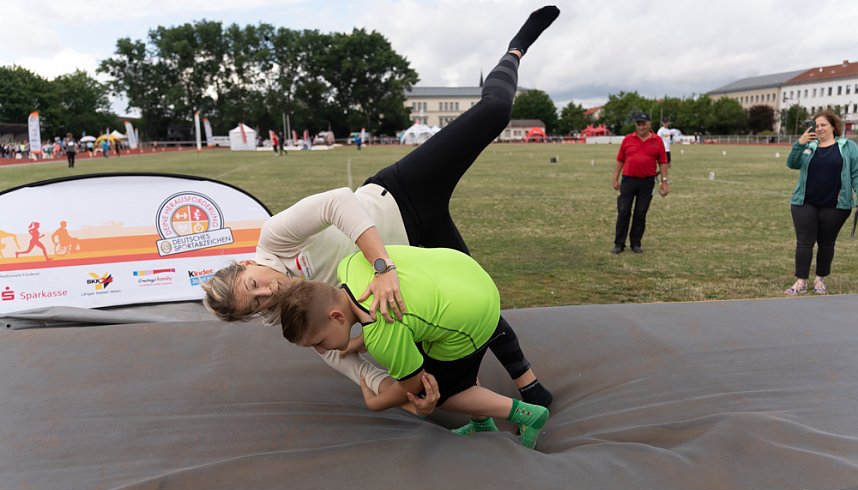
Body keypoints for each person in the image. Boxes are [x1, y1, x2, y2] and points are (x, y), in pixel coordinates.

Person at [202, 6, 559, 425]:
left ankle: (516, 48)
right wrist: (412, 401)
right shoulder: (295, 315)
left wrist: (381, 265)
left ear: (246, 264)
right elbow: (353, 365)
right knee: (474, 299)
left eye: (253, 285)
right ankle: (529, 383)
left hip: (402, 194)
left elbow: (337, 202)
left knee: (495, 112)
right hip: (416, 250)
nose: (268, 294)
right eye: (256, 306)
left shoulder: (275, 237)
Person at [278, 245, 550, 449]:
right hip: (462, 274)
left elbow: (410, 385)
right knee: (445, 366)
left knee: (440, 390)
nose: (323, 350)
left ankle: (526, 414)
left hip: (474, 313)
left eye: (319, 342)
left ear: (336, 317)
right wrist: (358, 341)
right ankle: (482, 423)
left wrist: (376, 402)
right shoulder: (347, 265)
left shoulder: (382, 330)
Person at [783, 110, 858, 295]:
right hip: (804, 203)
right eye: (817, 125)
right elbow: (792, 163)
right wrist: (799, 144)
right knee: (804, 242)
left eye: (824, 125)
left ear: (833, 126)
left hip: (836, 206)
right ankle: (800, 282)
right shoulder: (809, 146)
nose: (819, 128)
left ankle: (820, 280)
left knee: (826, 243)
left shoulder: (848, 147)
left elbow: (856, 174)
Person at [611, 112, 669, 254]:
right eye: (638, 124)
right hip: (628, 180)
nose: (641, 127)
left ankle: (636, 243)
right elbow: (620, 160)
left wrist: (664, 182)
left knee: (641, 212)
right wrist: (615, 178)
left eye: (643, 124)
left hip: (647, 182)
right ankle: (619, 243)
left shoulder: (657, 140)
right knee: (623, 211)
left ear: (649, 124)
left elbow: (662, 162)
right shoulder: (628, 139)